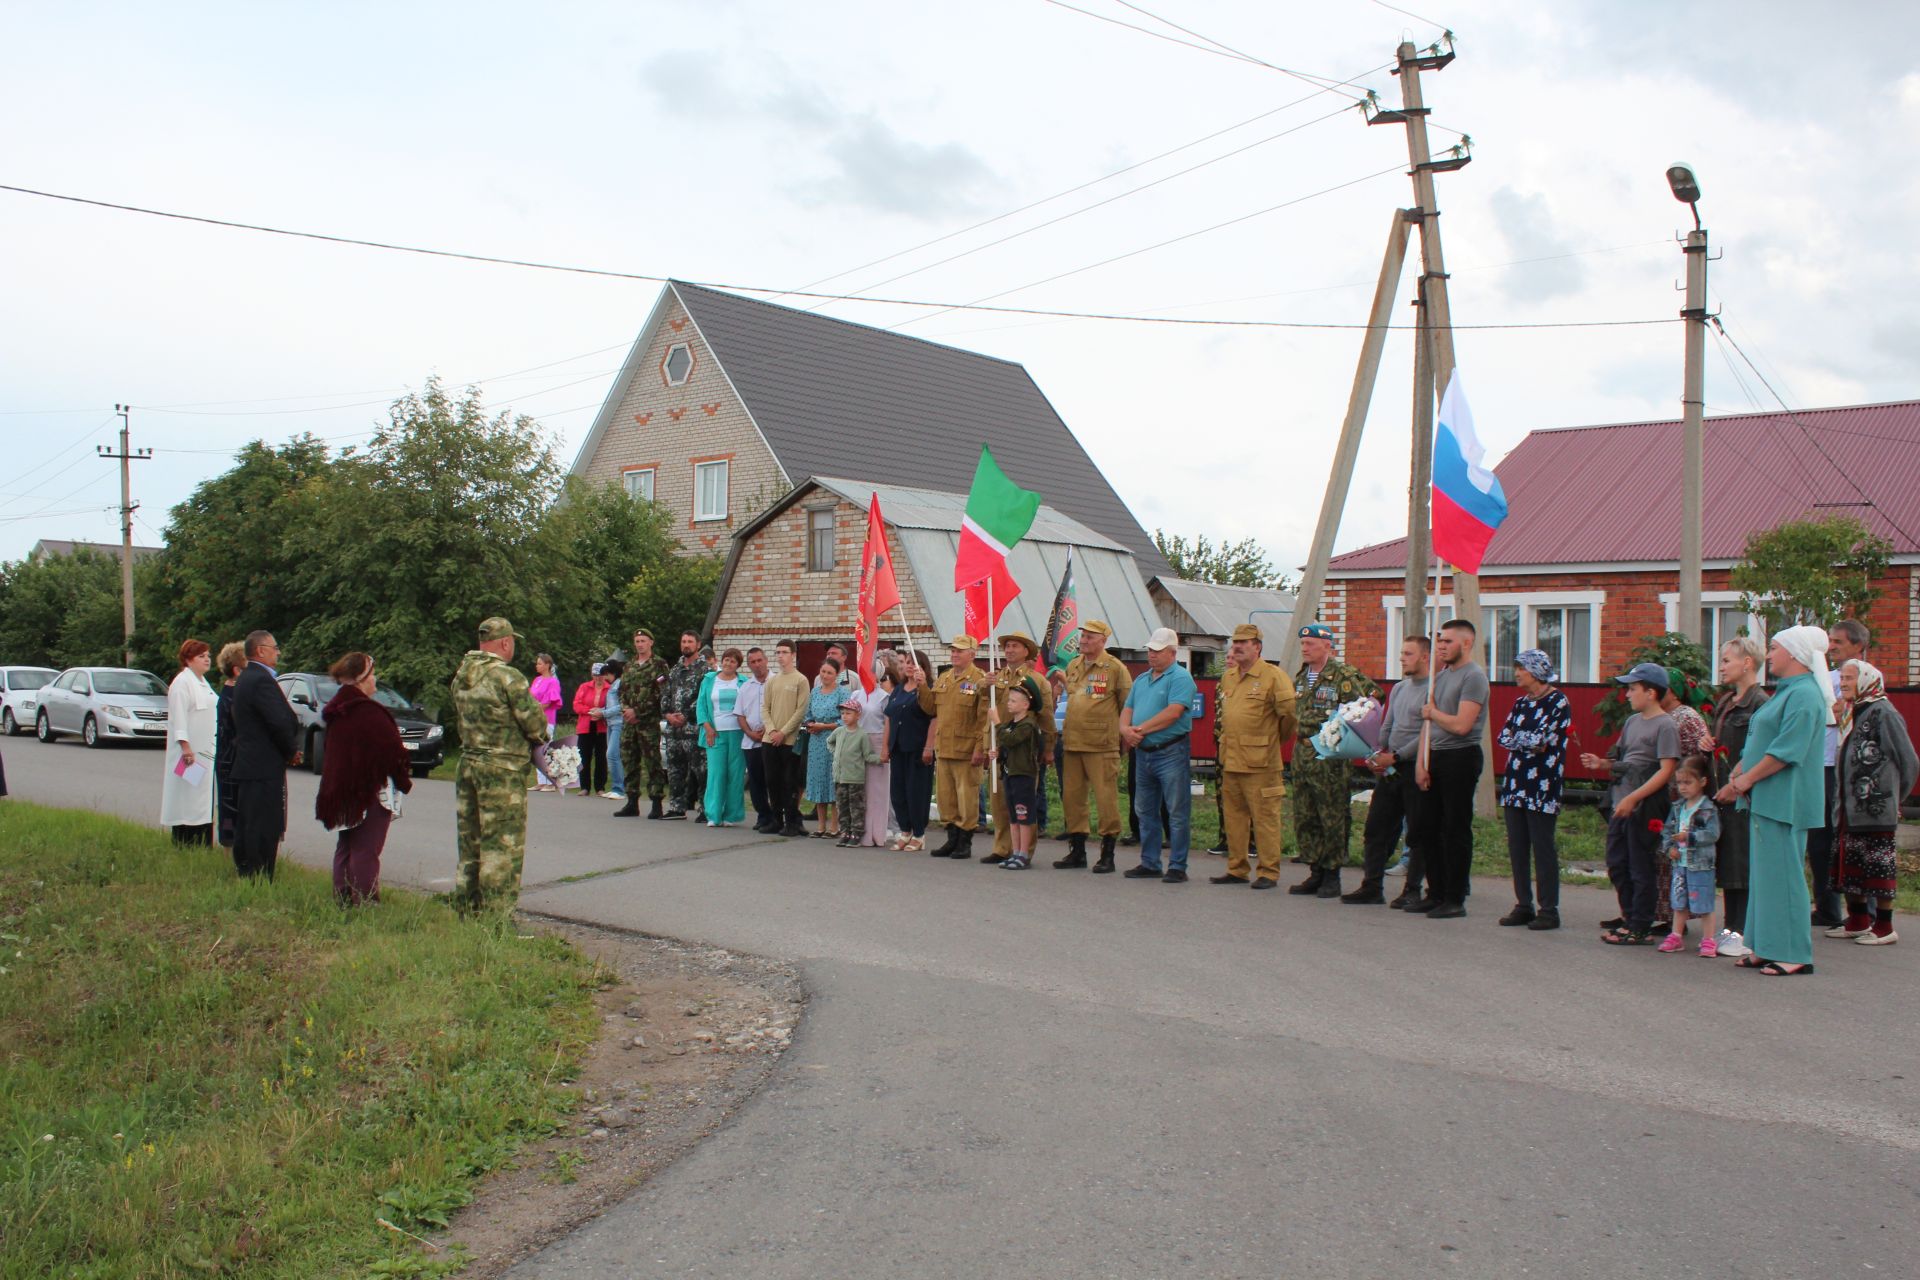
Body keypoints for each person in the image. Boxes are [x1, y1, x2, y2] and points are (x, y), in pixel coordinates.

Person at [1714, 626, 1831, 975]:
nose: (1770, 655)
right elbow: (1763, 739)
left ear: (1795, 655)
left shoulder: (1805, 694)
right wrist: (1740, 769)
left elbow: (1786, 751)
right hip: (1768, 796)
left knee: (1785, 877)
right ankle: (1766, 946)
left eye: (1775, 648)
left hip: (1787, 798)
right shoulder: (1786, 691)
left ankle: (1794, 954)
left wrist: (1744, 780)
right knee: (1765, 877)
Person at [448, 617, 549, 913]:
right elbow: (534, 723)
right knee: (502, 845)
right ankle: (496, 916)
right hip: (502, 769)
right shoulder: (507, 677)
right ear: (505, 642)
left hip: (468, 764)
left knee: (471, 840)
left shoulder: (461, 676)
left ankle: (467, 905)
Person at [1583, 663, 1679, 945]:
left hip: (1644, 805)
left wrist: (1634, 798)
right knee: (1617, 863)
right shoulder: (1631, 723)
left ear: (1651, 692)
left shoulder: (1666, 725)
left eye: (1632, 689)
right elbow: (1624, 761)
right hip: (1620, 802)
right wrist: (1602, 764)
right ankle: (1628, 917)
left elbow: (1666, 770)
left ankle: (1640, 925)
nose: (1627, 694)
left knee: (1640, 866)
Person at [1826, 657, 1917, 946]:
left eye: (1849, 679)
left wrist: (1894, 798)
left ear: (1867, 679)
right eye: (1842, 679)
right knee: (1851, 866)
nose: (1843, 684)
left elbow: (1909, 760)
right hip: (1849, 810)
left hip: (1876, 809)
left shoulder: (1883, 712)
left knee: (1878, 867)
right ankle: (1857, 920)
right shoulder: (1852, 713)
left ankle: (1885, 927)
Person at [314, 651, 413, 905]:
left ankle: (343, 899)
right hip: (367, 790)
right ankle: (366, 903)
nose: (375, 680)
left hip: (343, 790)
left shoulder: (338, 710)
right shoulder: (367, 712)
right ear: (360, 678)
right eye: (372, 674)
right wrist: (404, 779)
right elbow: (392, 752)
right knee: (366, 849)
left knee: (346, 846)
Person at [1290, 623, 1380, 898]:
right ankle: (1315, 870)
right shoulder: (1301, 676)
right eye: (1303, 644)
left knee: (1331, 814)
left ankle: (1332, 873)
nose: (1305, 648)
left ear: (1327, 646)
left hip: (1330, 755)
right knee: (1306, 815)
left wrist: (1349, 734)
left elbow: (1373, 700)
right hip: (1303, 752)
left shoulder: (1343, 675)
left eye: (1311, 644)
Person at [1210, 623, 1297, 890]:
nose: (1237, 646)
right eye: (1235, 642)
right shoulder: (1229, 677)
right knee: (1234, 818)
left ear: (1257, 647)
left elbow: (1288, 717)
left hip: (1261, 763)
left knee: (1265, 819)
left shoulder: (1273, 676)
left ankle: (1268, 872)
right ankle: (1237, 868)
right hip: (1232, 760)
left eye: (1244, 643)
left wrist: (1269, 743)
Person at [1413, 618, 1489, 918]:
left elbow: (1462, 724)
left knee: (1455, 829)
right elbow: (1426, 726)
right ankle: (1436, 891)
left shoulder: (1474, 677)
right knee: (1428, 828)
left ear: (1466, 643)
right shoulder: (1440, 677)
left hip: (1460, 756)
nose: (1441, 646)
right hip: (1435, 755)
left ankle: (1455, 897)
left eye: (1447, 641)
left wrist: (1433, 713)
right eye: (1440, 641)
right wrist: (1420, 762)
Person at [1350, 638, 1433, 908]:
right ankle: (1372, 885)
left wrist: (1397, 756)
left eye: (1408, 653)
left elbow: (1426, 734)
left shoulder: (1433, 691)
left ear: (1425, 657)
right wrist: (1377, 752)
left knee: (1418, 830)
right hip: (1391, 767)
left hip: (1415, 765)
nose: (1402, 658)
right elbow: (1387, 725)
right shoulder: (1399, 688)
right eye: (1401, 653)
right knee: (1377, 826)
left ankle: (1412, 889)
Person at [1495, 648, 1572, 929]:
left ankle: (1549, 909)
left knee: (1543, 847)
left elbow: (1544, 739)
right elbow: (1504, 736)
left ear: (1537, 671)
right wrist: (1525, 740)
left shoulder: (1558, 701)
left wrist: (1522, 739)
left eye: (1522, 669)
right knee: (1517, 847)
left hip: (1543, 784)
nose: (1516, 673)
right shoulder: (1521, 703)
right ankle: (1523, 904)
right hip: (1516, 782)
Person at [1120, 627, 1198, 883]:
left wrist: (1138, 731)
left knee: (1176, 809)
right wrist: (1125, 730)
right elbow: (1127, 709)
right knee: (1145, 809)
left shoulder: (1181, 678)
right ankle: (1150, 862)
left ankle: (1177, 865)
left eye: (1157, 651)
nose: (1151, 655)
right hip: (1143, 752)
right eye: (1150, 650)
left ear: (1172, 653)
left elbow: (1174, 712)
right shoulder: (1142, 679)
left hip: (1170, 751)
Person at [1805, 618, 1870, 927]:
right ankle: (1826, 906)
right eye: (1829, 641)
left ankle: (1865, 910)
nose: (1831, 647)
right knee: (1818, 842)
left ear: (1858, 646)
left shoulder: (1868, 680)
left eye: (1838, 642)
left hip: (1850, 770)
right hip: (1821, 765)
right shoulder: (1824, 678)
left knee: (1853, 840)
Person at [1054, 620, 1132, 873]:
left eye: (1090, 637)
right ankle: (1077, 851)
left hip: (1101, 744)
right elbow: (1075, 695)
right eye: (1083, 636)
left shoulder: (1114, 669)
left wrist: (1124, 739)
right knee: (1073, 798)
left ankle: (1107, 854)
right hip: (1073, 742)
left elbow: (1127, 706)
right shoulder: (1074, 664)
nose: (1084, 640)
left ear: (1103, 641)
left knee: (1106, 799)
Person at [1709, 636, 1769, 957]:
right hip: (1722, 792)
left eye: (1727, 661)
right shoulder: (1726, 701)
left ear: (1747, 663)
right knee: (1728, 861)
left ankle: (1742, 930)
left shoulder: (1760, 703)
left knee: (1740, 863)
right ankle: (1731, 926)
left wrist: (1739, 785)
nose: (1721, 667)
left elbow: (1761, 751)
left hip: (1744, 797)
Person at [229, 630, 302, 880]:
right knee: (262, 824)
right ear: (260, 650)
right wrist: (291, 749)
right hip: (262, 765)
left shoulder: (246, 678)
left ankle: (249, 871)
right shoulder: (260, 680)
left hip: (251, 763)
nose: (278, 652)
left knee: (250, 821)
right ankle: (258, 874)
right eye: (274, 647)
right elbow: (279, 721)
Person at [980, 631, 1055, 864]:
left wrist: (1048, 748)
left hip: (1022, 750)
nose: (1009, 650)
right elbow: (983, 704)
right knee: (1000, 800)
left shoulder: (1035, 680)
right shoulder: (996, 676)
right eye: (1007, 646)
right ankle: (1003, 847)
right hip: (999, 747)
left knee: (1023, 803)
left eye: (1015, 646)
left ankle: (1024, 851)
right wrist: (985, 684)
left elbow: (1046, 716)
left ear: (1026, 652)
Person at [920, 635, 991, 860]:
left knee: (966, 797)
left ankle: (965, 841)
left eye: (960, 650)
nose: (955, 654)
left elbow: (983, 719)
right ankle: (951, 838)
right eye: (953, 650)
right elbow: (931, 708)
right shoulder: (944, 678)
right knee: (945, 797)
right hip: (945, 747)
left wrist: (980, 747)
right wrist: (922, 686)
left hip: (966, 749)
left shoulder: (979, 680)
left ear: (972, 653)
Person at [1658, 755, 1722, 954]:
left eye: (1688, 782)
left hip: (1701, 864)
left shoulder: (1707, 809)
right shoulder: (1677, 808)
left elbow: (1712, 834)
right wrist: (1669, 849)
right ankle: (1676, 936)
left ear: (1702, 782)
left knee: (1703, 902)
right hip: (1680, 864)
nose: (1682, 787)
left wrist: (1689, 837)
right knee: (1679, 901)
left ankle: (1708, 939)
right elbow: (1667, 831)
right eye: (1679, 783)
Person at [162, 638, 218, 845]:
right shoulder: (182, 683)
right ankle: (185, 840)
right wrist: (186, 747)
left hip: (206, 750)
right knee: (187, 796)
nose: (207, 660)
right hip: (190, 753)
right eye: (201, 656)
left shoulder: (203, 683)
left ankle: (203, 840)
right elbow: (179, 718)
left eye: (208, 656)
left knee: (202, 798)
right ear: (188, 659)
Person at [989, 676, 1047, 870]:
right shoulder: (1012, 724)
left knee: (1024, 815)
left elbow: (1012, 740)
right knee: (1013, 816)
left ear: (1025, 704)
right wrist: (998, 752)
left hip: (1023, 775)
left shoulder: (1028, 725)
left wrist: (997, 722)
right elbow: (1007, 744)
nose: (1009, 704)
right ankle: (1015, 851)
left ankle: (1023, 853)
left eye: (1013, 701)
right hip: (1010, 773)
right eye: (1009, 700)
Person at [614, 628, 670, 819]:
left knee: (652, 762)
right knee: (629, 761)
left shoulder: (659, 664)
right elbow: (621, 691)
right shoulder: (629, 666)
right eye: (637, 641)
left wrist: (637, 711)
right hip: (629, 723)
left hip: (648, 722)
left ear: (651, 643)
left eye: (643, 641)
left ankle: (656, 802)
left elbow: (660, 693)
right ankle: (631, 801)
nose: (640, 644)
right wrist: (626, 710)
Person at [886, 651, 937, 851]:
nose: (908, 666)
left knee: (916, 792)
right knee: (898, 791)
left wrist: (929, 746)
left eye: (913, 663)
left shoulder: (928, 689)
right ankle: (905, 831)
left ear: (922, 666)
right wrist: (886, 747)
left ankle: (919, 833)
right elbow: (890, 717)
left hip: (917, 747)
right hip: (898, 747)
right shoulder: (899, 689)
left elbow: (934, 716)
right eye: (906, 662)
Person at [761, 640, 812, 837]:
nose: (780, 655)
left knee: (789, 781)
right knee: (772, 780)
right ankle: (776, 819)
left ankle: (792, 821)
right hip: (769, 739)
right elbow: (765, 707)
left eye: (784, 652)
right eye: (778, 652)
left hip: (789, 740)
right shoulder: (772, 680)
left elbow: (800, 711)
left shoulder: (800, 680)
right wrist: (772, 730)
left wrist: (783, 732)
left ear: (793, 655)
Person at [662, 631, 712, 820]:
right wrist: (668, 714)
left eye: (690, 641)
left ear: (698, 645)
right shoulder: (674, 669)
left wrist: (685, 715)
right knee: (675, 769)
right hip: (673, 729)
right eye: (683, 641)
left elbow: (703, 698)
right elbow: (666, 693)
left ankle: (705, 809)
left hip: (693, 728)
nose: (686, 645)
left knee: (701, 771)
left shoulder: (705, 670)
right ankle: (676, 807)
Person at [697, 647, 749, 828]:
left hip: (738, 733)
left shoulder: (743, 682)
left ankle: (731, 815)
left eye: (733, 661)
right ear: (722, 660)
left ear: (737, 665)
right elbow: (701, 706)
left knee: (735, 775)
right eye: (726, 660)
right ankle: (713, 814)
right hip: (715, 733)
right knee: (716, 774)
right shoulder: (709, 680)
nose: (728, 663)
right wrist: (707, 727)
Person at [827, 696, 882, 847]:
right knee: (842, 806)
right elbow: (829, 742)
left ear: (858, 715)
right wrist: (835, 752)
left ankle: (856, 833)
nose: (845, 716)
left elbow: (867, 755)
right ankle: (844, 831)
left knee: (856, 807)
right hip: (839, 778)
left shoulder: (861, 735)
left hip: (855, 779)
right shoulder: (838, 732)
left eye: (849, 713)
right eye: (843, 713)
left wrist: (881, 759)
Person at [803, 657, 844, 837]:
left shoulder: (842, 692)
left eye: (829, 673)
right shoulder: (815, 692)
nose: (825, 675)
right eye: (823, 672)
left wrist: (824, 726)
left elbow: (845, 719)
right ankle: (821, 826)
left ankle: (834, 826)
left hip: (834, 740)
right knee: (819, 780)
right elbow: (808, 714)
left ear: (836, 675)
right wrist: (810, 724)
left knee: (832, 781)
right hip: (817, 742)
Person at [213, 641, 247, 849]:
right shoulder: (231, 697)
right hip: (230, 759)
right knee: (230, 807)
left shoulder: (230, 694)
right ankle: (230, 851)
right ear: (236, 670)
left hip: (230, 757)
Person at [737, 648, 776, 832]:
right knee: (756, 781)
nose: (757, 664)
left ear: (766, 660)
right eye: (753, 662)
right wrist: (750, 733)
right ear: (749, 665)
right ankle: (763, 815)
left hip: (772, 740)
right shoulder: (745, 687)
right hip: (751, 741)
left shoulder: (776, 682)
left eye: (760, 660)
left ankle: (777, 816)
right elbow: (740, 715)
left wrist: (769, 730)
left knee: (773, 780)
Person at [858, 655, 895, 847]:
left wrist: (886, 748)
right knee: (861, 789)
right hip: (858, 742)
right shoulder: (855, 695)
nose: (866, 674)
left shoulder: (884, 697)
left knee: (878, 790)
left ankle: (877, 834)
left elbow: (888, 722)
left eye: (870, 671)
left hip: (879, 741)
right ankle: (861, 831)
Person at [571, 664, 611, 798]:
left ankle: (600, 787)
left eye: (600, 675)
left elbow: (613, 705)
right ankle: (584, 787)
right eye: (595, 675)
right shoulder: (584, 687)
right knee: (583, 757)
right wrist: (589, 711)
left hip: (602, 726)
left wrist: (601, 712)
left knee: (601, 757)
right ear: (592, 675)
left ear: (605, 675)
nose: (598, 678)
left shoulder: (610, 688)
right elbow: (577, 704)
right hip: (585, 725)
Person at [529, 654, 563, 791]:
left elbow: (550, 701)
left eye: (540, 663)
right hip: (534, 717)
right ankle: (541, 781)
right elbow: (531, 696)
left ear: (547, 665)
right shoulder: (537, 679)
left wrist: (538, 707)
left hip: (546, 717)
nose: (537, 666)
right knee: (536, 748)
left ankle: (551, 781)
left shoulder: (552, 681)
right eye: (537, 663)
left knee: (546, 747)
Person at [601, 657, 627, 800]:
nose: (605, 677)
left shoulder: (620, 684)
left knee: (612, 754)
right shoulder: (613, 685)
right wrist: (600, 710)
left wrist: (603, 713)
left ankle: (619, 788)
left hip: (618, 723)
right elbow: (611, 705)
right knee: (610, 755)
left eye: (607, 674)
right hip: (610, 723)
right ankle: (615, 787)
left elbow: (621, 705)